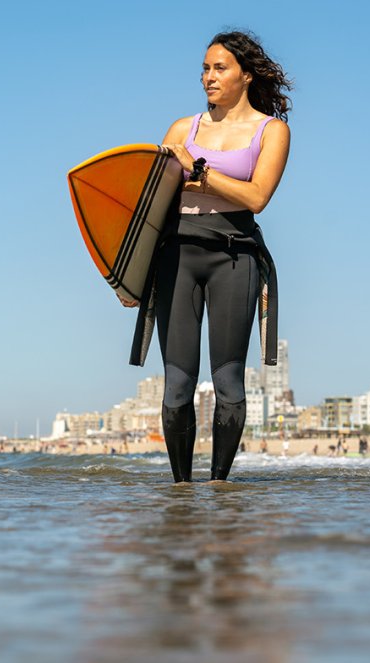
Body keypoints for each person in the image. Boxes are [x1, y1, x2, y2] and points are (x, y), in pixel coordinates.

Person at [123, 31, 292, 482]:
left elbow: (256, 196)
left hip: (234, 258)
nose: (208, 77)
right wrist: (130, 275)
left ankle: (219, 488)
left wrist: (202, 174)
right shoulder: (184, 129)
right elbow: (151, 204)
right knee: (177, 382)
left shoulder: (270, 131)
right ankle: (181, 492)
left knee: (228, 381)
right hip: (176, 255)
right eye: (204, 68)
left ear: (246, 75)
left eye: (219, 68)